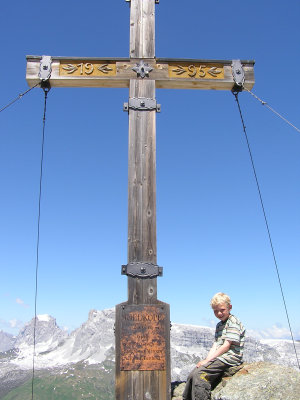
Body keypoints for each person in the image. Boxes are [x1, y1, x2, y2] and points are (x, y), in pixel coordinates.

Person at [182, 292, 245, 400]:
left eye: (222, 310)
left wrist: (207, 361)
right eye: (215, 311)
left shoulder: (233, 322)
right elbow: (216, 344)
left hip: (230, 357)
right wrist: (206, 360)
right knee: (193, 374)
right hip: (221, 357)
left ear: (229, 307)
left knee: (200, 374)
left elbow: (226, 346)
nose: (219, 313)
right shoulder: (220, 325)